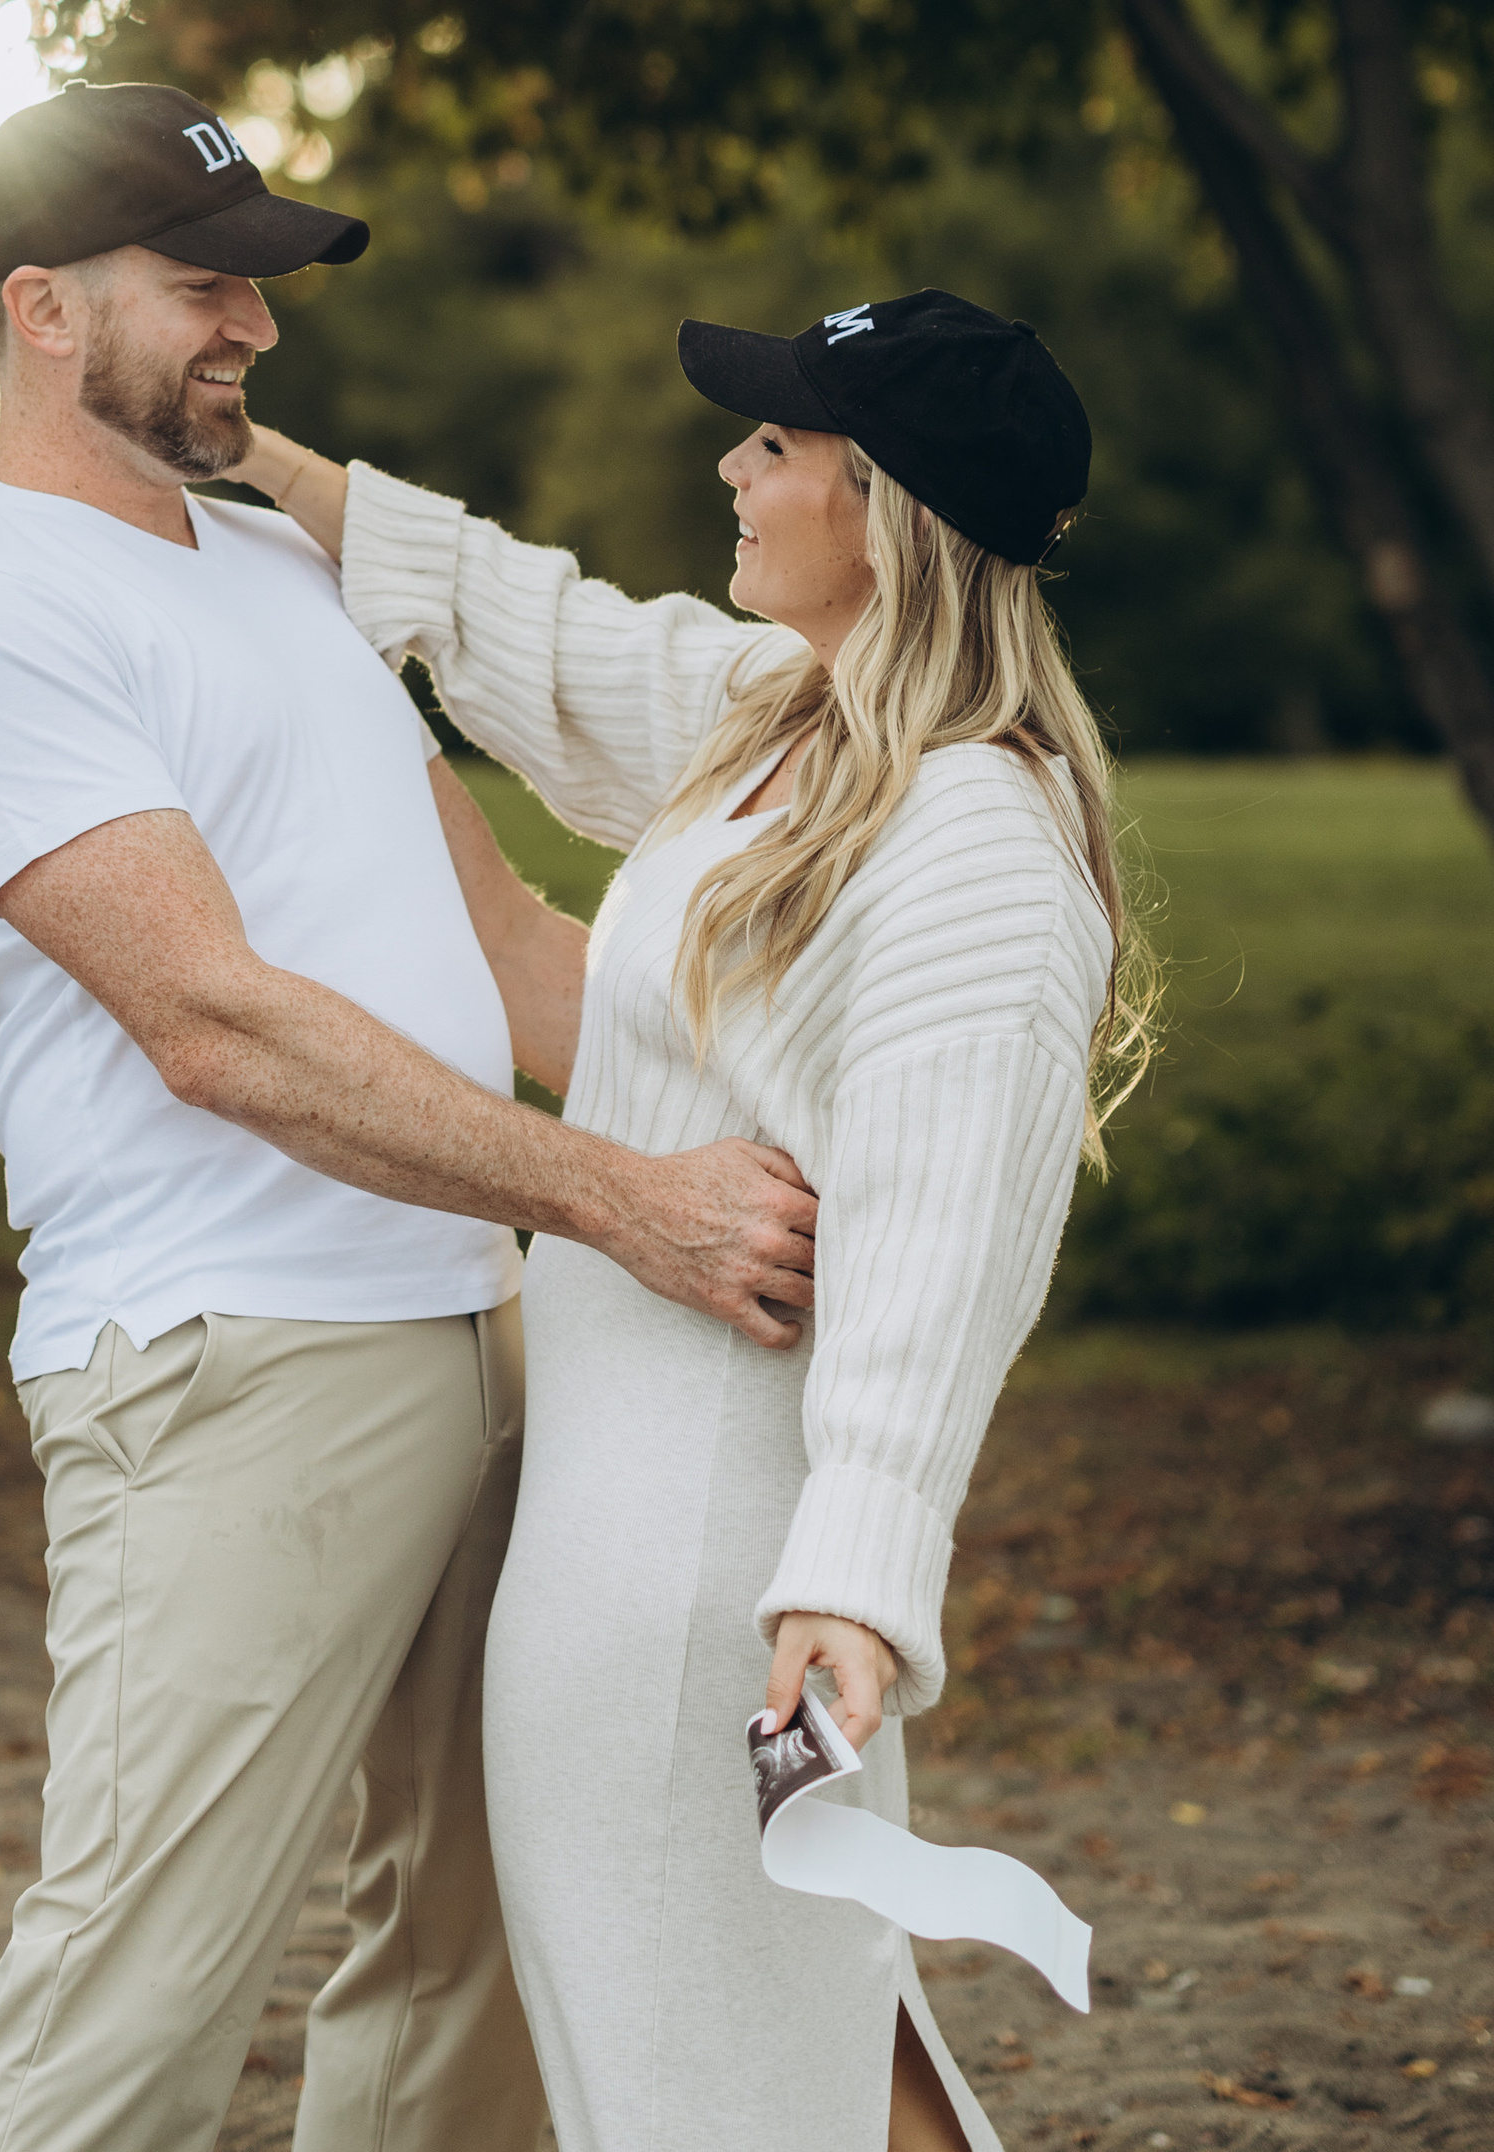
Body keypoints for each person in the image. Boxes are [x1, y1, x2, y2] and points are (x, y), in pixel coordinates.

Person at [0, 80, 822, 2152]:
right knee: (130, 1997)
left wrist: (829, 1128)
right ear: (39, 308)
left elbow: (504, 947)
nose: (255, 329)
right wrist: (618, 1205)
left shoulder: (260, 563)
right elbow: (215, 1023)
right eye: (204, 287)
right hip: (229, 1367)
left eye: (262, 287)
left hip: (471, 1332)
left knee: (478, 1961)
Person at [234, 288, 1151, 2152]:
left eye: (779, 442)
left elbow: (945, 1242)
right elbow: (535, 637)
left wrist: (854, 1585)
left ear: (885, 507)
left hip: (709, 1583)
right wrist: (250, 469)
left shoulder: (973, 833)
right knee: (790, 2065)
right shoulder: (784, 734)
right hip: (610, 1546)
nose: (732, 465)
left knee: (717, 2086)